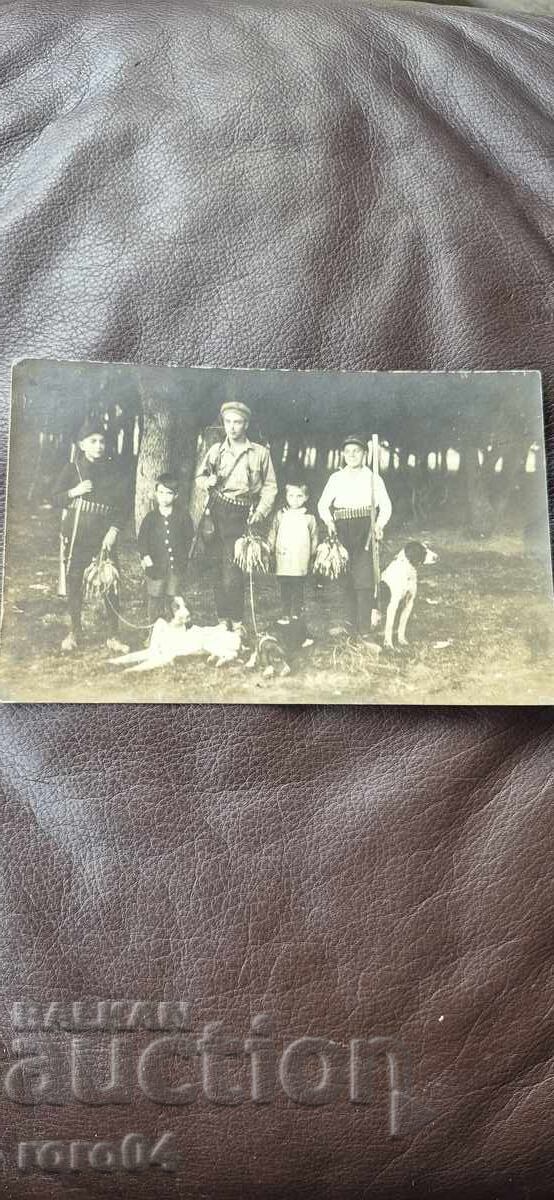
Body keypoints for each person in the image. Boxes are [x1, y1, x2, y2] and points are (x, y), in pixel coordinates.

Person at [198, 402, 278, 630]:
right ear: (223, 423)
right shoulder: (215, 451)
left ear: (246, 424)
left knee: (233, 572)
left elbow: (270, 487)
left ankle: (237, 621)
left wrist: (261, 512)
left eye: (237, 422)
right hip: (215, 512)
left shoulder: (260, 453)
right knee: (216, 568)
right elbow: (200, 478)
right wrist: (207, 482)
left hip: (242, 514)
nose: (232, 427)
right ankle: (223, 621)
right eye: (228, 422)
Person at [52, 419, 129, 654]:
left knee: (109, 582)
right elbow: (54, 497)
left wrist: (114, 530)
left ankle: (114, 636)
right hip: (77, 534)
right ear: (82, 445)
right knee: (75, 581)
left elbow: (124, 506)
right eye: (93, 441)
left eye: (102, 441)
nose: (98, 446)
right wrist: (74, 491)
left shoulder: (114, 470)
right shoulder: (72, 468)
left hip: (104, 535)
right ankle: (75, 631)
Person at [317, 435, 392, 637]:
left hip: (365, 529)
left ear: (364, 454)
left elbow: (386, 507)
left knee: (364, 578)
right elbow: (322, 505)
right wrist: (329, 522)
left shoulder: (373, 478)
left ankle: (364, 628)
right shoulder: (336, 478)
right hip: (341, 529)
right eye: (348, 451)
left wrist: (378, 525)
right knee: (345, 577)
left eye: (356, 451)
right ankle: (349, 625)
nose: (352, 455)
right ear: (343, 454)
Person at [137, 473, 194, 624]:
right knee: (155, 597)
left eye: (169, 493)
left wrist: (183, 556)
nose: (164, 497)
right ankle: (153, 630)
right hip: (155, 565)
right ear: (156, 493)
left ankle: (173, 627)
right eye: (161, 492)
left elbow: (189, 537)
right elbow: (142, 540)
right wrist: (145, 556)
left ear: (176, 496)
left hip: (175, 566)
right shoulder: (151, 518)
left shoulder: (183, 516)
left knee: (173, 597)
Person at [268, 481, 319, 633]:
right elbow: (273, 532)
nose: (294, 500)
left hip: (300, 558)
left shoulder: (309, 517)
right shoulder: (281, 514)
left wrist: (313, 555)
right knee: (285, 585)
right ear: (286, 496)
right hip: (283, 556)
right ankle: (285, 613)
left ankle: (296, 613)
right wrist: (269, 548)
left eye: (299, 496)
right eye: (291, 496)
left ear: (306, 497)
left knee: (297, 585)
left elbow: (314, 537)